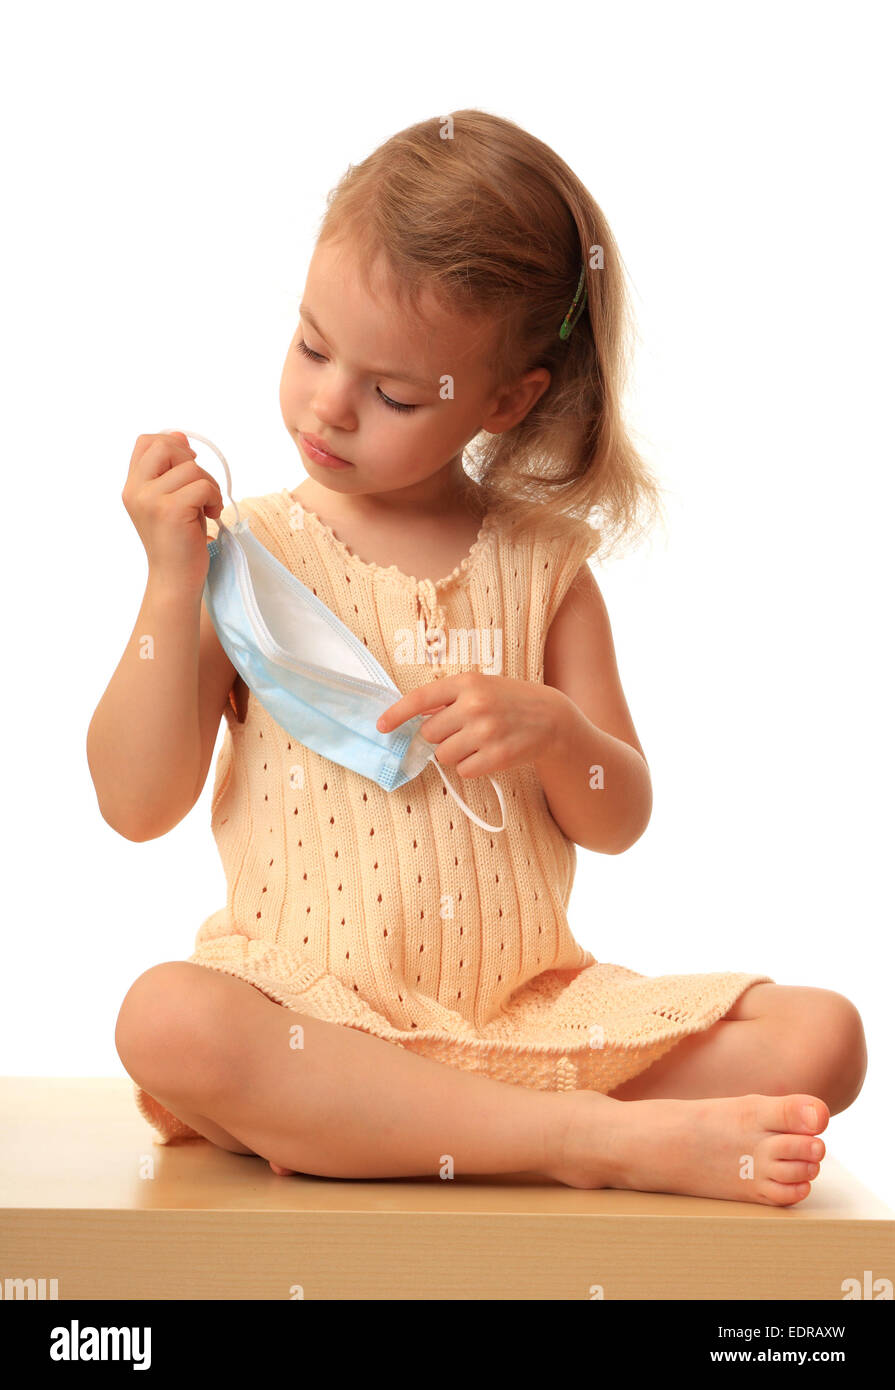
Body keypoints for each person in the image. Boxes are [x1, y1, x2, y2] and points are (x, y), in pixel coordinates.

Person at [91, 109, 866, 1203]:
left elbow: (618, 812)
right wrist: (172, 580)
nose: (328, 403)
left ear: (507, 401)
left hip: (523, 1015)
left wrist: (558, 734)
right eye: (312, 345)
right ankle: (586, 1142)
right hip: (309, 1023)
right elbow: (133, 800)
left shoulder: (545, 569)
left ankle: (437, 1123)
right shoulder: (247, 560)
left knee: (822, 1035)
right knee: (168, 1016)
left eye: (394, 393)